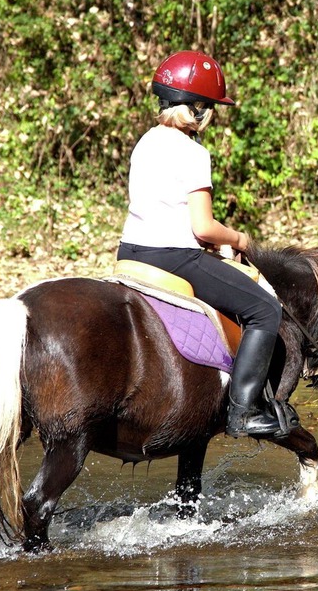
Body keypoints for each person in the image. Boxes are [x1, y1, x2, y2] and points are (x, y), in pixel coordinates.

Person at [117, 50, 284, 437]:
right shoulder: (193, 152)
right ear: (198, 110)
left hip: (131, 252)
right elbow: (203, 227)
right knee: (265, 309)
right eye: (210, 108)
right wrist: (239, 238)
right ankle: (242, 412)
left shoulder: (145, 142)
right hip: (174, 259)